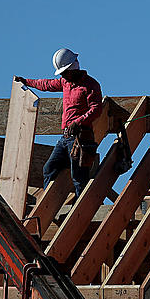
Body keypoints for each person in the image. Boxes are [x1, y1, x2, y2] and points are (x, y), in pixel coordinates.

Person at [15, 48, 102, 197]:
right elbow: (46, 85)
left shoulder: (90, 85)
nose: (62, 75)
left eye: (64, 72)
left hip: (81, 138)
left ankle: (79, 210)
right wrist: (26, 81)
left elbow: (96, 109)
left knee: (79, 178)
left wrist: (78, 122)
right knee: (49, 169)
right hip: (66, 138)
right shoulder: (65, 82)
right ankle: (49, 203)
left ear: (73, 68)